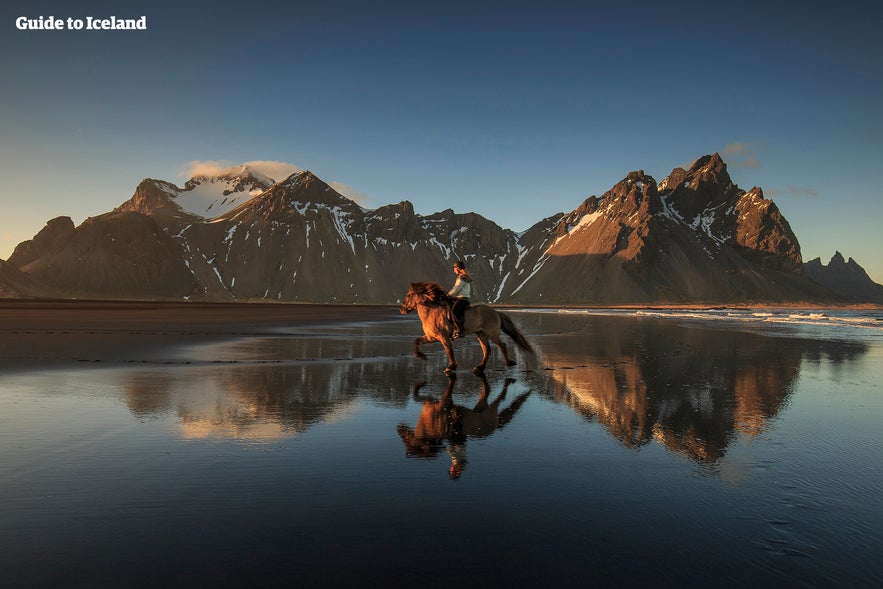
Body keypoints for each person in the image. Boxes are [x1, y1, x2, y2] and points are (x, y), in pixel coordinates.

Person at [448, 260, 473, 339]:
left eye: (454, 269)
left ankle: (460, 330)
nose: (454, 270)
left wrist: (448, 295)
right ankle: (452, 330)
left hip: (462, 299)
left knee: (453, 311)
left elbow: (456, 289)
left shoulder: (461, 277)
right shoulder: (464, 276)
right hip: (461, 298)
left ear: (458, 269)